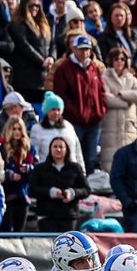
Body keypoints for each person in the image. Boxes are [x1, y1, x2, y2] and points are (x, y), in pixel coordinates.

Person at [52, 34, 107, 174]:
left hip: (94, 122)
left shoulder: (94, 68)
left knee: (91, 159)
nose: (85, 52)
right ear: (74, 49)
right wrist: (75, 112)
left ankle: (88, 189)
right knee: (73, 157)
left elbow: (101, 91)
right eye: (82, 49)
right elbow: (61, 95)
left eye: (87, 49)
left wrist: (100, 110)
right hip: (75, 122)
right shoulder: (64, 69)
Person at [28, 136, 87, 232]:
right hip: (46, 216)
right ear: (50, 149)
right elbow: (32, 189)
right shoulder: (40, 169)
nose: (58, 149)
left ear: (66, 149)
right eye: (55, 147)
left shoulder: (75, 168)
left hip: (68, 216)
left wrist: (72, 193)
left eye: (61, 147)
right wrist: (51, 192)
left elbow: (86, 189)